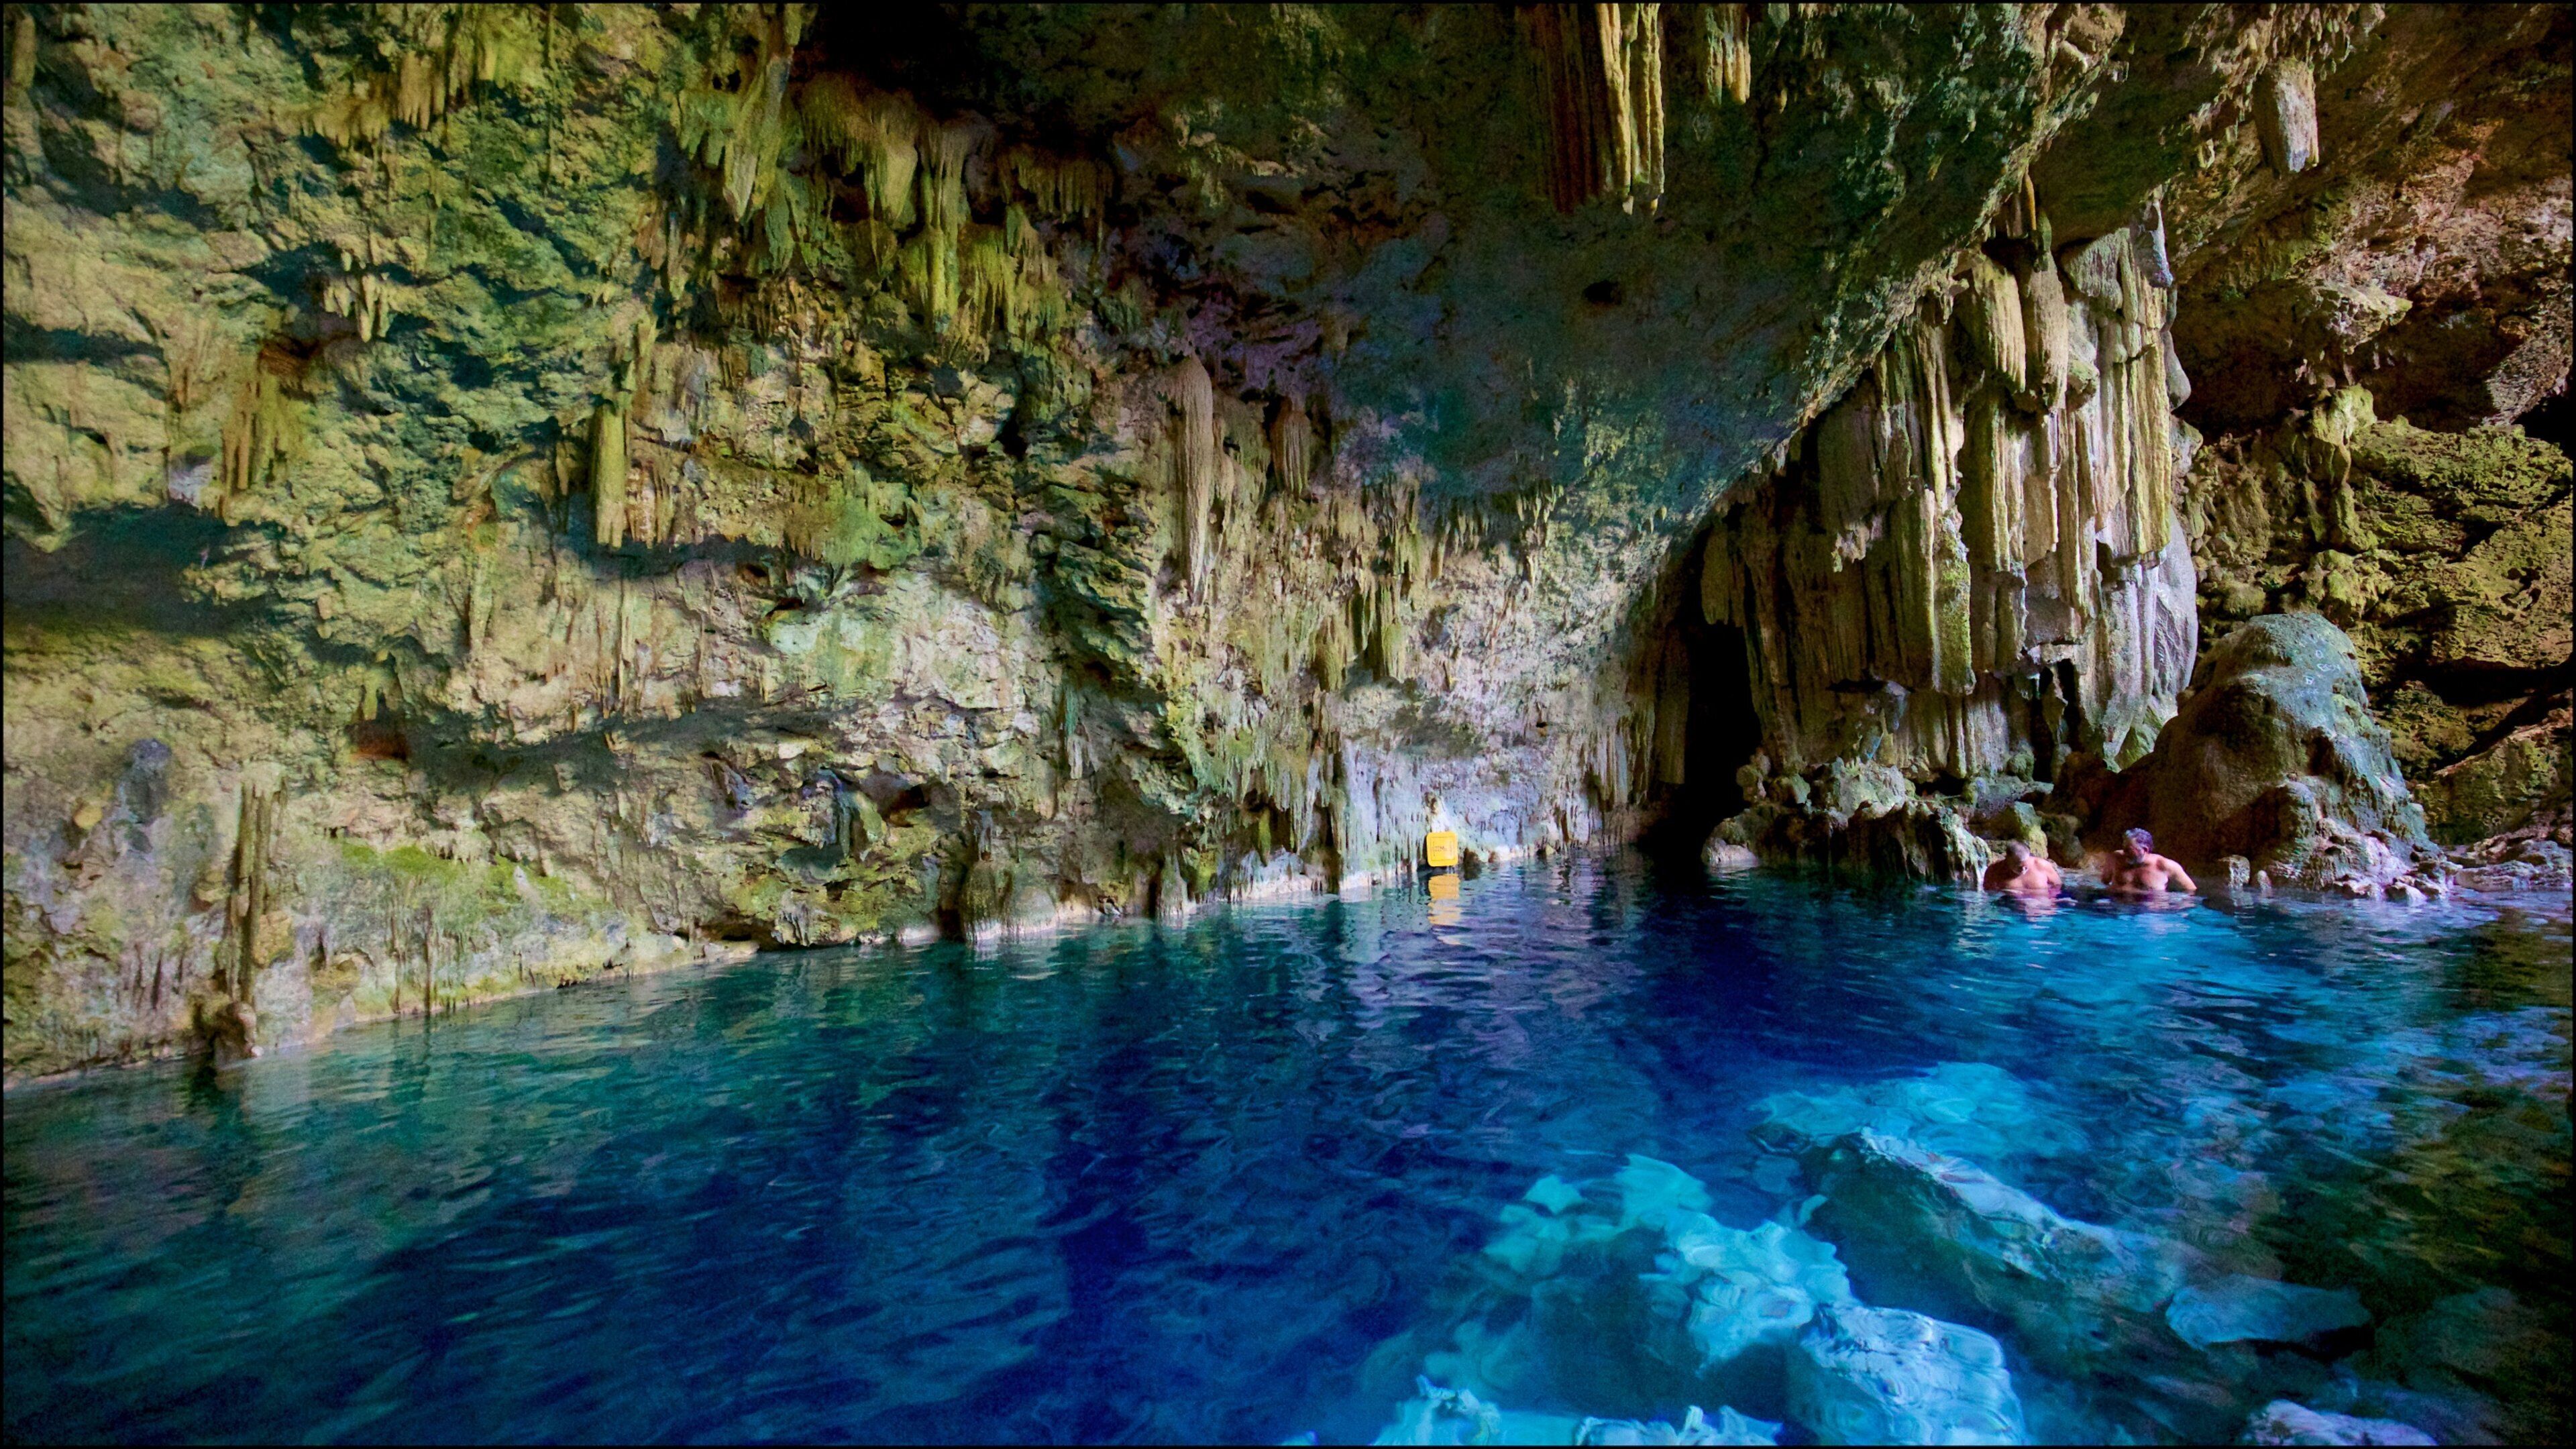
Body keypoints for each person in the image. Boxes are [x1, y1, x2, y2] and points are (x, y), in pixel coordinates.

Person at [2106, 827, 2196, 895]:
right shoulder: (2115, 858)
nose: (2124, 852)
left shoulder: (2164, 866)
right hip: (2118, 908)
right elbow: (2105, 881)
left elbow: (2191, 890)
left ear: (2145, 850)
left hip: (2150, 911)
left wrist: (2174, 901)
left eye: (2129, 849)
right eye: (2124, 847)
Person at [1982, 840, 2064, 898]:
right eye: (2019, 867)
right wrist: (2004, 892)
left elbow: (2058, 886)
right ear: (2008, 859)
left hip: (2042, 909)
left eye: (2026, 866)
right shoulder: (1994, 871)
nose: (2023, 870)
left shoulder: (2042, 865)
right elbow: (1989, 894)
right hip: (2010, 911)